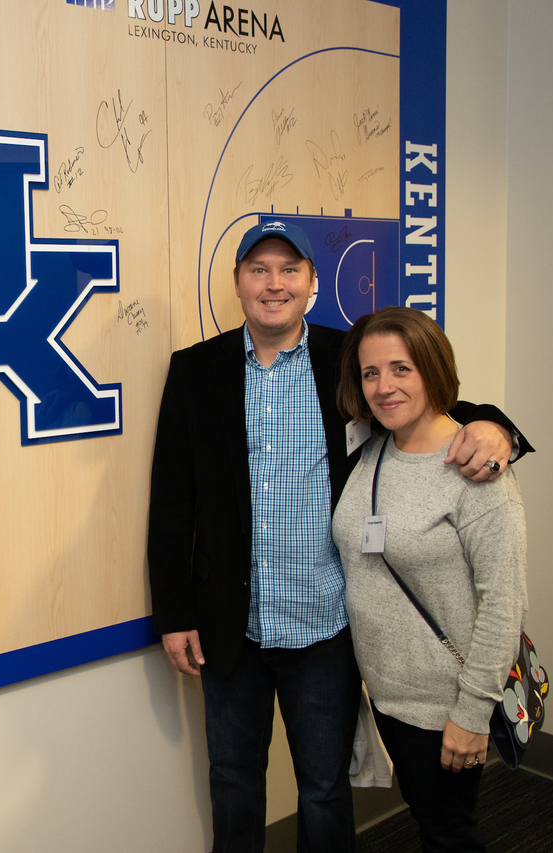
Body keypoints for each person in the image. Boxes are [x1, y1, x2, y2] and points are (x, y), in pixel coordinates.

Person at [147, 220, 525, 853]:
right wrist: (174, 613)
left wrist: (498, 429)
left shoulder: (346, 357)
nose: (274, 284)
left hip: (325, 626)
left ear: (312, 283)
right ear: (238, 283)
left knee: (324, 788)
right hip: (227, 625)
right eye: (258, 270)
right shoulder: (195, 371)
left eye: (289, 270)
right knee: (233, 783)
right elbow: (171, 500)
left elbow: (425, 399)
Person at [331, 307, 527, 852]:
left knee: (448, 834)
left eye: (401, 368)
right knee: (430, 819)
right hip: (388, 697)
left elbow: (504, 604)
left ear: (432, 370)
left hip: (445, 703)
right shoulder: (372, 448)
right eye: (371, 373)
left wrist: (471, 714)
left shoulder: (477, 471)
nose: (384, 386)